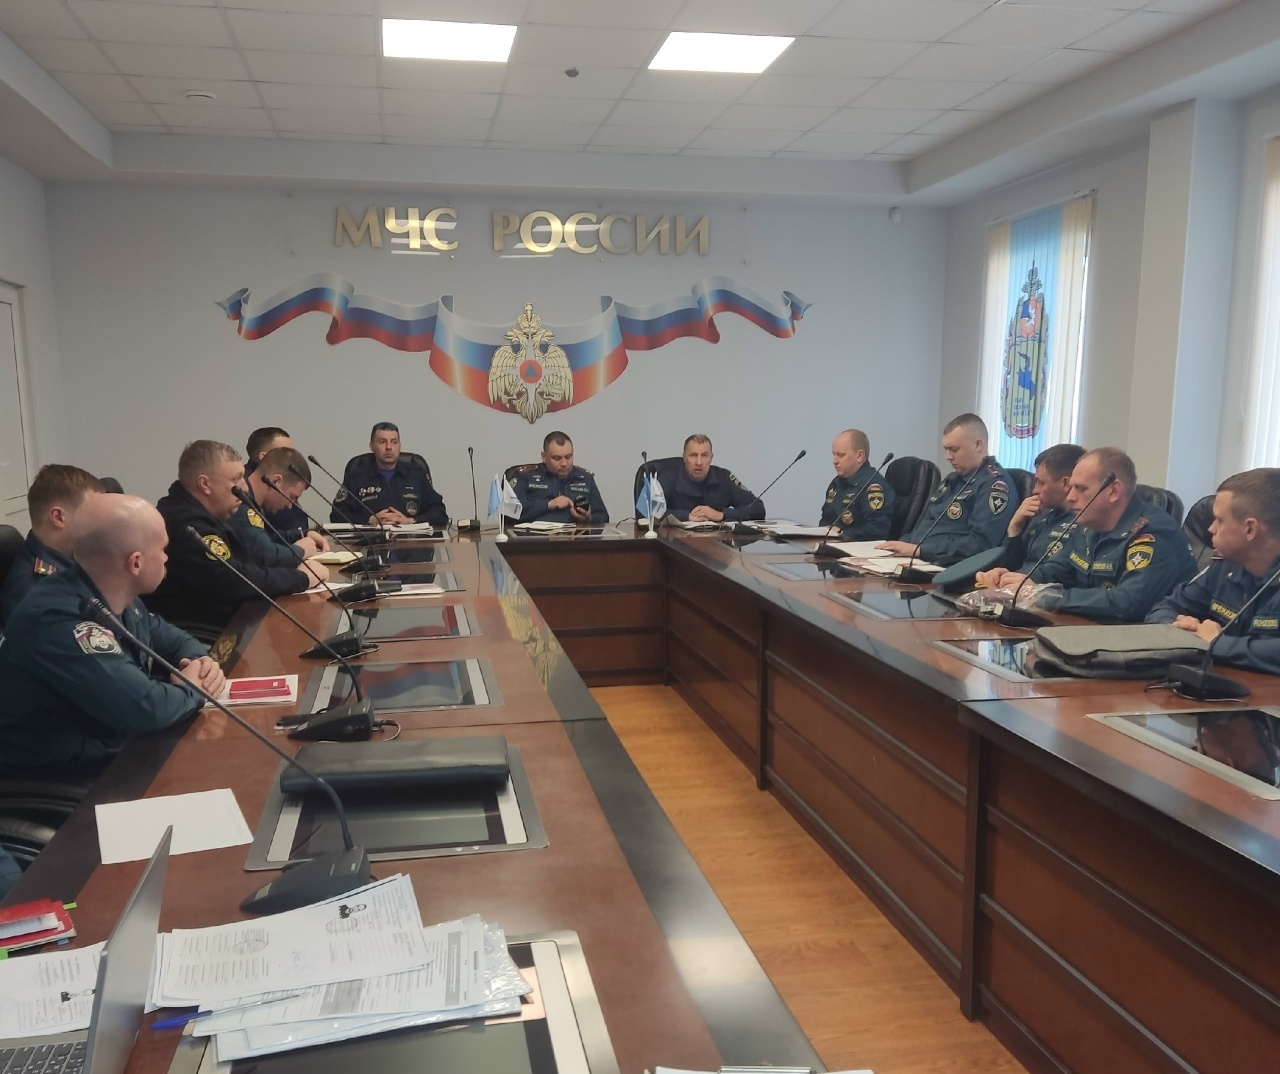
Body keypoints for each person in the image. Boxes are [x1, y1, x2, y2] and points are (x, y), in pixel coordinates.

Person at [0, 495, 224, 781]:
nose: (167, 557)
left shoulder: (114, 595)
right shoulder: (57, 617)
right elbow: (145, 708)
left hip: (115, 751)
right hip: (59, 779)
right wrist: (193, 687)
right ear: (135, 563)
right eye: (162, 549)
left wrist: (201, 662)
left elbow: (175, 639)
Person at [977, 447, 1196, 622]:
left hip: (1138, 646)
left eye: (1081, 489)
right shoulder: (1088, 525)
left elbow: (1127, 602)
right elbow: (1060, 568)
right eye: (1071, 487)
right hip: (1086, 630)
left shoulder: (1153, 533)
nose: (1070, 497)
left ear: (1113, 491)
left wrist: (1046, 596)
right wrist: (1016, 580)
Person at [146, 440, 327, 632]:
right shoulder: (187, 525)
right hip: (203, 635)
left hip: (231, 619)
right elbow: (236, 580)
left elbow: (251, 556)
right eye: (236, 479)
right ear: (205, 484)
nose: (245, 487)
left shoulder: (211, 513)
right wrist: (301, 578)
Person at [1147, 468, 1280, 673]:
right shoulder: (1225, 565)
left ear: (1250, 529)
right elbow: (1164, 608)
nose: (1211, 528)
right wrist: (1182, 629)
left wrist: (1216, 643)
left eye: (1220, 520)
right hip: (1222, 681)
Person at [878, 413, 1020, 565]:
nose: (948, 457)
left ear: (978, 445)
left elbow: (981, 545)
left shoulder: (994, 486)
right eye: (946, 449)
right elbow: (925, 525)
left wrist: (921, 551)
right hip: (920, 560)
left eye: (954, 449)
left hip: (948, 567)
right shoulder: (952, 479)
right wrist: (898, 546)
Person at [1, 465, 105, 623]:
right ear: (58, 517)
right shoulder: (38, 593)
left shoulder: (74, 559)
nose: (102, 525)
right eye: (94, 515)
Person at [331, 422, 447, 528]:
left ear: (399, 446)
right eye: (382, 442)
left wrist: (410, 521)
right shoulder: (356, 476)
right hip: (369, 541)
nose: (389, 447)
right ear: (372, 446)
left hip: (411, 540)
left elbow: (439, 512)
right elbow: (337, 515)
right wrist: (370, 520)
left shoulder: (416, 474)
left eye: (394, 442)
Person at [229, 446, 329, 565]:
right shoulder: (241, 504)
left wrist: (302, 535)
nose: (290, 506)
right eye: (292, 497)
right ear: (276, 481)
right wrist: (300, 550)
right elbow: (266, 554)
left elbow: (267, 538)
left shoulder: (252, 501)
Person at [1002, 443, 1086, 566]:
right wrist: (1015, 527)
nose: (1034, 490)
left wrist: (1016, 576)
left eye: (1041, 483)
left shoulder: (1083, 523)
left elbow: (1059, 571)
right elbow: (1011, 564)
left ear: (1065, 484)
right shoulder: (1040, 514)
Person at [655, 435, 765, 524]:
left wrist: (720, 515)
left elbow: (758, 508)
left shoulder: (724, 477)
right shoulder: (668, 477)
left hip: (716, 542)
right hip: (675, 542)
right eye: (693, 455)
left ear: (711, 458)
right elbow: (650, 511)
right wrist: (687, 516)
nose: (699, 462)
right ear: (684, 458)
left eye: (704, 455)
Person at [509, 431, 608, 524]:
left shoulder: (585, 478)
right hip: (535, 535)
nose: (564, 463)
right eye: (557, 458)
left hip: (574, 535)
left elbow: (603, 517)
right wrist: (548, 505)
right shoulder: (524, 476)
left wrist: (588, 518)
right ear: (544, 457)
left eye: (568, 457)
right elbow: (510, 514)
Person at [820, 429, 893, 540]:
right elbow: (825, 519)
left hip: (856, 548)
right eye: (834, 455)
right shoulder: (837, 483)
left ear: (860, 456)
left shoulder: (873, 486)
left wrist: (842, 533)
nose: (835, 461)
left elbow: (877, 530)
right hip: (830, 544)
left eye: (841, 455)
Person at [245, 426, 310, 540]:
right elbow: (261, 545)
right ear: (264, 457)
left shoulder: (285, 483)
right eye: (284, 451)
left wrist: (304, 534)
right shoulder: (244, 492)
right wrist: (300, 547)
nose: (291, 457)